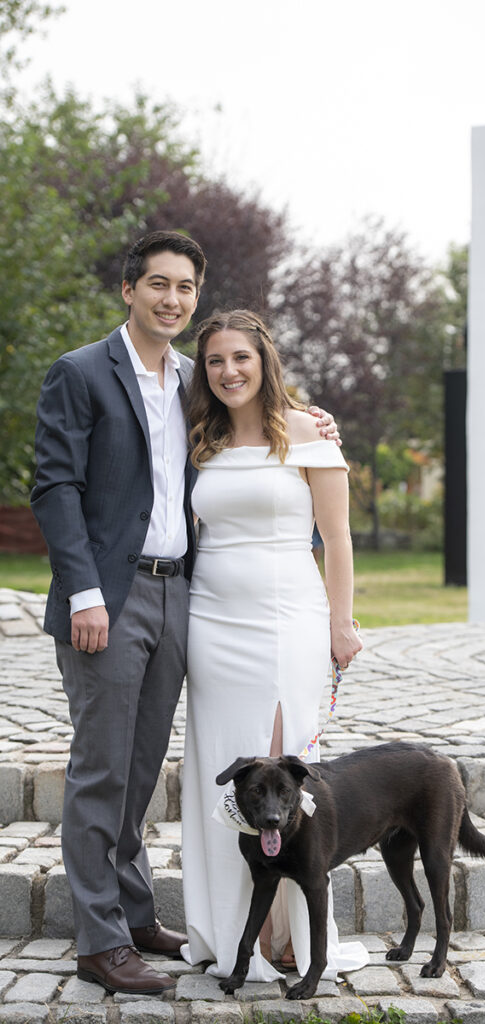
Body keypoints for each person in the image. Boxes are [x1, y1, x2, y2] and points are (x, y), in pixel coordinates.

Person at [30, 232, 338, 997]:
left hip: (183, 595)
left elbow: (258, 421)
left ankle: (135, 914)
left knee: (140, 771)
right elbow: (55, 489)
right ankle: (100, 943)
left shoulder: (194, 382)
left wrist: (312, 421)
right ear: (128, 289)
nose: (172, 298)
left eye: (185, 287)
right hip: (109, 597)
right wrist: (84, 594)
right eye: (157, 284)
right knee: (100, 769)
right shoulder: (80, 372)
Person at [180, 310, 369, 984]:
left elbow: (337, 538)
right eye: (213, 362)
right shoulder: (199, 437)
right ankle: (236, 934)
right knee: (224, 767)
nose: (228, 372)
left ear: (264, 361)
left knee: (290, 772)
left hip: (290, 617)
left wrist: (340, 623)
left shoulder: (310, 431)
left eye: (240, 358)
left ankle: (293, 934)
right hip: (212, 622)